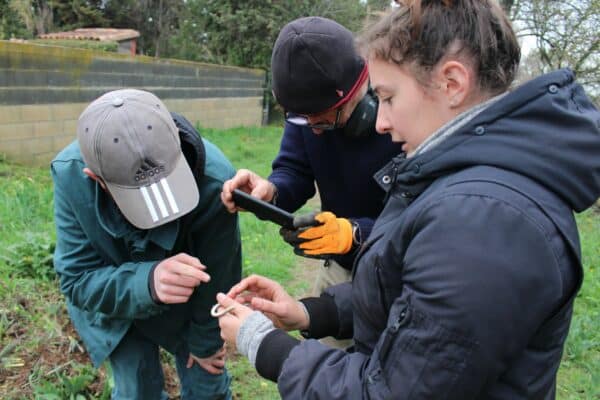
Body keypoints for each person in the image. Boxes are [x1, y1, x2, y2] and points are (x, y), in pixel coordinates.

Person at [216, 1, 600, 399]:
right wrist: (314, 312)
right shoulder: (465, 180)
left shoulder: (483, 222)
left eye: (388, 97)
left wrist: (264, 344)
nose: (382, 122)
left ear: (452, 83)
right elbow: (412, 296)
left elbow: (390, 390)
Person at [51, 89, 241, 400]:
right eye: (137, 196)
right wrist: (147, 282)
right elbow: (77, 279)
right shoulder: (71, 176)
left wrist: (206, 343)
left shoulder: (215, 180)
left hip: (192, 301)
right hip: (115, 304)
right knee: (136, 391)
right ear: (95, 178)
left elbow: (221, 273)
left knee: (208, 385)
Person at [220, 17, 403, 322]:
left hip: (403, 272)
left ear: (363, 93)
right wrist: (270, 191)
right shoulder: (308, 112)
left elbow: (425, 214)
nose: (314, 131)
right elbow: (294, 170)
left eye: (324, 120)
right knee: (334, 358)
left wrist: (358, 234)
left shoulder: (402, 119)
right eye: (301, 120)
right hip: (342, 270)